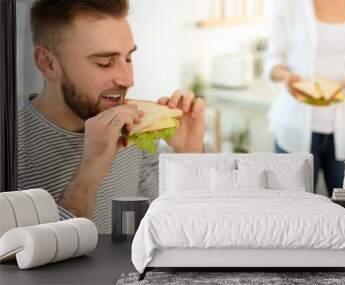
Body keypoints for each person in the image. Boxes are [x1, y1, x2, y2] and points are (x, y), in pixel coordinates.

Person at [17, 0, 205, 234]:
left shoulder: (133, 131)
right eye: (105, 63)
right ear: (48, 63)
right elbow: (24, 262)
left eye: (128, 58)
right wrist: (90, 171)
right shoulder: (12, 147)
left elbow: (175, 231)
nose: (128, 80)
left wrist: (189, 154)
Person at [265, 0, 345, 197]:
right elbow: (273, 59)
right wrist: (286, 76)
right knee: (293, 216)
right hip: (294, 129)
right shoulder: (287, 4)